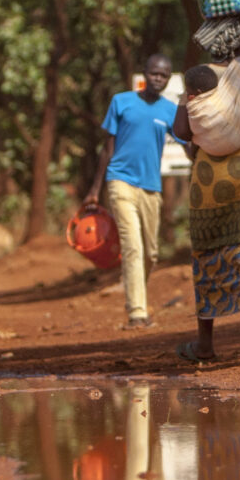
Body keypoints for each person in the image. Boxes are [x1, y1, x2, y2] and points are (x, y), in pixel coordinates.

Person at [171, 58, 240, 362]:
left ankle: (205, 345)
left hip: (207, 184)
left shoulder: (198, 78)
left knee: (207, 260)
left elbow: (181, 130)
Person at [88, 54, 178, 329]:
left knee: (150, 252)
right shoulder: (122, 102)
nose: (158, 79)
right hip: (120, 181)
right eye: (154, 74)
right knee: (133, 247)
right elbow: (107, 148)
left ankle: (138, 291)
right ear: (144, 74)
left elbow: (188, 144)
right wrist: (95, 188)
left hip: (151, 187)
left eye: (163, 76)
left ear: (168, 78)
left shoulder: (169, 110)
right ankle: (137, 311)